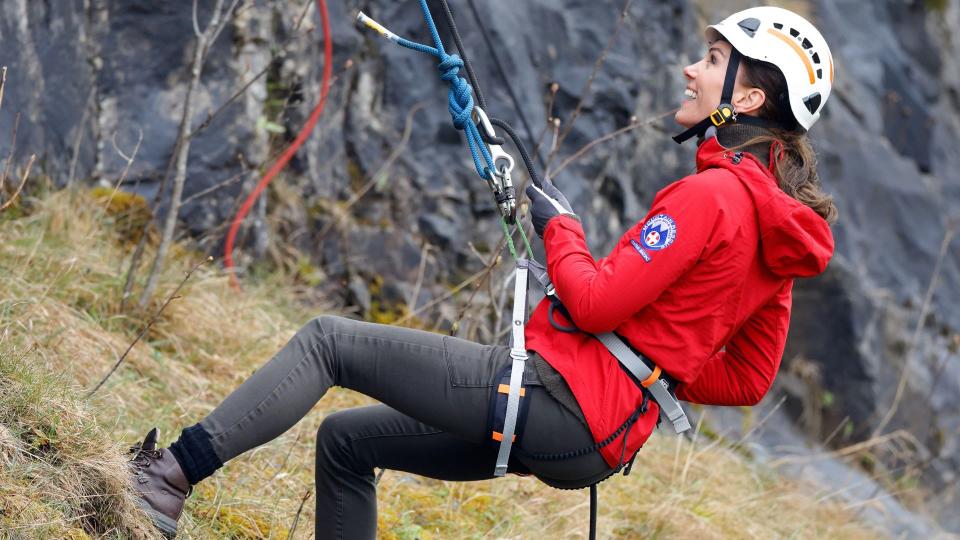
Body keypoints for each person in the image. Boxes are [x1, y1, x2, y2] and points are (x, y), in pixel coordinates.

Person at [128, 6, 837, 539]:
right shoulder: (779, 234)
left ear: (746, 99)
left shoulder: (710, 196)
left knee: (327, 342)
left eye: (713, 59)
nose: (691, 68)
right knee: (346, 443)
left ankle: (167, 479)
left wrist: (562, 229)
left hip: (557, 400)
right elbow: (747, 379)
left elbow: (590, 304)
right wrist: (652, 367)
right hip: (597, 438)